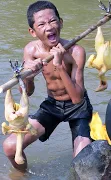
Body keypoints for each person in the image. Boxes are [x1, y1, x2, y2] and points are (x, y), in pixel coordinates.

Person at [2, 1, 93, 172]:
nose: (49, 27)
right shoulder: (31, 50)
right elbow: (27, 94)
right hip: (53, 105)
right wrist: (29, 77)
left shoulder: (75, 51)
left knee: (82, 162)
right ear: (33, 31)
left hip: (78, 108)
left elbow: (76, 98)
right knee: (10, 147)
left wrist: (59, 65)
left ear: (61, 23)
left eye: (53, 21)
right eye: (42, 24)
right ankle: (23, 176)